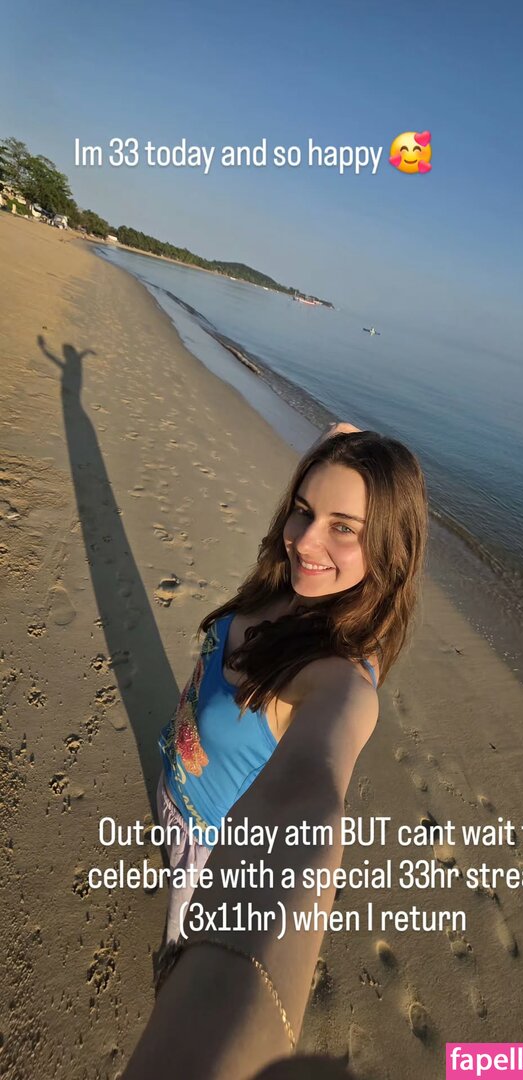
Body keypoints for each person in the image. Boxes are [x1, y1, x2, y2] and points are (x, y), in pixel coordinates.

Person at [125, 421, 427, 1079]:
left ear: (389, 550)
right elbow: (312, 514)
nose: (306, 541)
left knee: (183, 956)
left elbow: (314, 787)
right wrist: (337, 445)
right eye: (303, 510)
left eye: (343, 528)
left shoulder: (338, 675)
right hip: (177, 788)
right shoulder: (284, 586)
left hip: (214, 855)